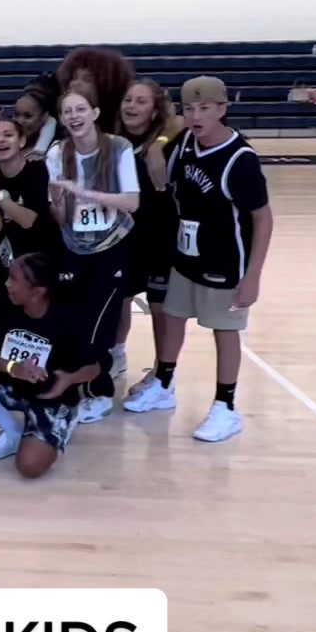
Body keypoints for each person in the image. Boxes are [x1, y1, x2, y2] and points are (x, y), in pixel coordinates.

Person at [124, 76, 272, 443]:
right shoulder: (186, 142)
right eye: (190, 109)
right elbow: (169, 126)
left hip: (225, 262)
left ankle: (226, 406)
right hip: (186, 256)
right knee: (172, 317)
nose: (195, 116)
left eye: (204, 108)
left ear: (222, 109)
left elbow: (263, 219)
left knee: (224, 331)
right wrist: (159, 146)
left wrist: (253, 276)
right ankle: (164, 383)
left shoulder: (240, 159)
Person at [46, 88, 139, 424]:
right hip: (73, 247)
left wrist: (85, 193)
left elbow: (132, 202)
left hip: (112, 246)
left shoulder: (118, 148)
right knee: (74, 322)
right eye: (67, 111)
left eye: (80, 109)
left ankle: (100, 393)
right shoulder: (57, 153)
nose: (74, 116)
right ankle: (77, 387)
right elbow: (60, 217)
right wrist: (58, 201)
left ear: (95, 113)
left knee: (100, 325)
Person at [0, 253, 98, 478]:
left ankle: (64, 420)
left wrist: (68, 380)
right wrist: (12, 367)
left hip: (49, 397)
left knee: (29, 466)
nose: (7, 283)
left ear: (38, 291)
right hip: (10, 387)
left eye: (14, 279)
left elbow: (94, 368)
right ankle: (12, 429)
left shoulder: (68, 319)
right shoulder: (4, 306)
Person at [115, 79, 181, 389]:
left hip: (160, 237)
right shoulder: (115, 141)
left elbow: (181, 120)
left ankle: (163, 373)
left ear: (155, 111)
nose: (131, 106)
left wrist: (160, 142)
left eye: (141, 101)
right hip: (125, 236)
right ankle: (116, 356)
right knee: (119, 299)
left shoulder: (168, 142)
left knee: (159, 306)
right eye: (128, 100)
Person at [0, 114, 51, 319]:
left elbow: (28, 221)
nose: (1, 140)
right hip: (1, 258)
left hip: (34, 258)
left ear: (22, 141)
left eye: (8, 135)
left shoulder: (37, 171)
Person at [57, 47, 134, 133]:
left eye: (87, 79)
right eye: (74, 78)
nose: (76, 83)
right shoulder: (59, 127)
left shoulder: (122, 130)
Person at [14, 80, 59, 158]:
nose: (20, 121)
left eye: (28, 116)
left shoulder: (56, 150)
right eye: (16, 115)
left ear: (44, 117)